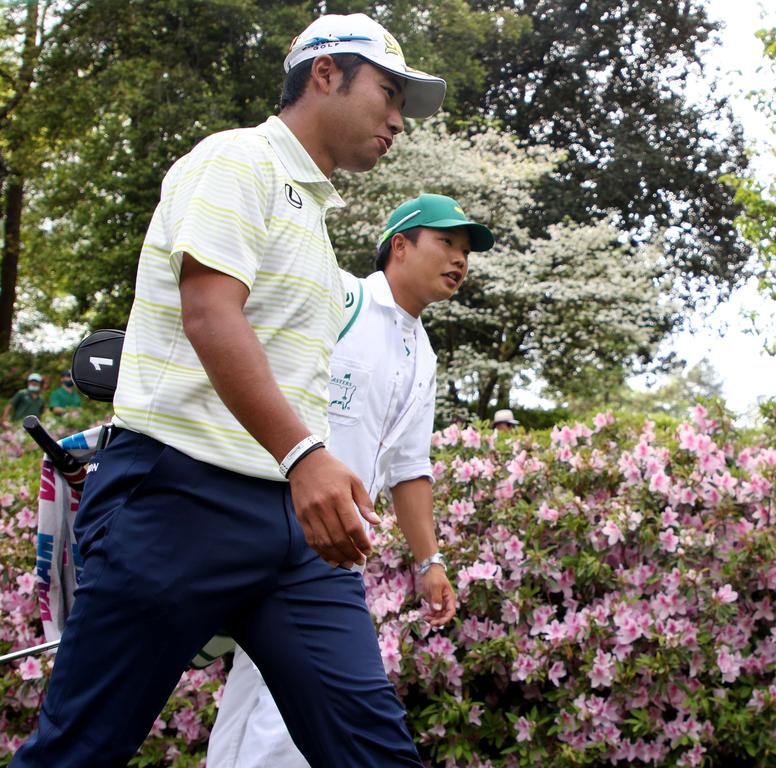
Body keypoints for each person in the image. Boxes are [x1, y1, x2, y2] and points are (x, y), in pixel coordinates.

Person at [13, 13, 446, 768]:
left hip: (293, 529)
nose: (399, 120)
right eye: (389, 92)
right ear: (325, 74)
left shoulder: (311, 216)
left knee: (376, 753)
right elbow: (210, 314)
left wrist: (304, 468)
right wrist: (308, 454)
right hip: (180, 500)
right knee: (76, 753)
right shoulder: (236, 161)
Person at [207, 193, 494, 768]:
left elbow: (409, 468)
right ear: (400, 245)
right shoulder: (343, 299)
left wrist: (429, 562)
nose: (460, 260)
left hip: (332, 550)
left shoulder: (424, 353)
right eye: (447, 243)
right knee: (289, 710)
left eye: (466, 251)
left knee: (262, 697)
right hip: (275, 524)